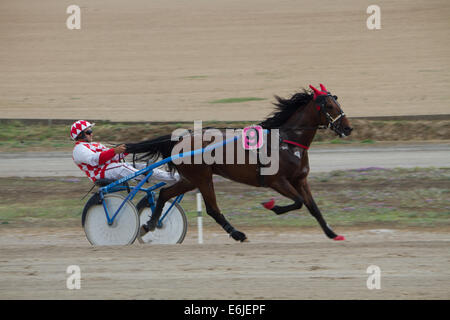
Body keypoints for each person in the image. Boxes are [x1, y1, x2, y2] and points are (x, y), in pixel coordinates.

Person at [70, 120, 179, 185]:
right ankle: (144, 176)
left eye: (91, 131)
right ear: (80, 135)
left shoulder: (95, 144)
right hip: (99, 174)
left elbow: (113, 157)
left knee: (142, 166)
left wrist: (128, 149)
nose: (91, 134)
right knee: (122, 167)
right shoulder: (79, 150)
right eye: (89, 132)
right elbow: (94, 160)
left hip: (110, 168)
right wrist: (114, 151)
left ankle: (174, 178)